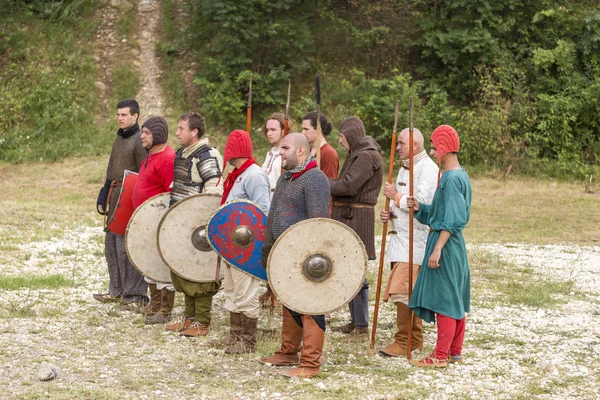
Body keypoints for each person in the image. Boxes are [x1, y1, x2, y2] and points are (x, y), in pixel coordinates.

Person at [259, 132, 330, 378]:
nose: (280, 152)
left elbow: (318, 223)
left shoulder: (315, 178)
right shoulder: (286, 178)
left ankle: (310, 363)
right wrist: (268, 251)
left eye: (285, 147)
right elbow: (273, 218)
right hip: (284, 253)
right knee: (289, 300)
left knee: (310, 305)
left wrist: (312, 259)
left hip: (305, 257)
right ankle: (289, 351)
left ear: (300, 151)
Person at [406, 125, 472, 368]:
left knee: (445, 299)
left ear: (444, 148)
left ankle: (440, 356)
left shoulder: (452, 179)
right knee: (454, 298)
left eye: (434, 148)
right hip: (451, 244)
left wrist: (437, 249)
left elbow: (453, 219)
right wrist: (420, 209)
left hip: (446, 244)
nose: (432, 153)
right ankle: (455, 352)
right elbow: (439, 212)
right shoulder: (458, 175)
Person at [378, 128, 438, 357]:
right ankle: (415, 339)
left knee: (403, 291)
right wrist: (389, 212)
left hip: (416, 241)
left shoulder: (428, 170)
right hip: (400, 240)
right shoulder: (406, 167)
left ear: (414, 145)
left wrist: (395, 196)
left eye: (401, 143)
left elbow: (420, 203)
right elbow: (401, 204)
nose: (398, 147)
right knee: (408, 291)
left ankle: (404, 341)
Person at [164, 113, 224, 337]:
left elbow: (214, 191)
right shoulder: (183, 153)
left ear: (194, 132)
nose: (177, 133)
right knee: (183, 269)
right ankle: (189, 318)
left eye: (181, 129)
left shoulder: (206, 155)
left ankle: (202, 321)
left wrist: (202, 222)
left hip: (199, 226)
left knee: (200, 274)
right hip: (181, 222)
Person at [328, 117, 383, 337]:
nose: (340, 142)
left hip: (357, 217)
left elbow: (348, 186)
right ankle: (356, 321)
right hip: (349, 216)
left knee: (357, 271)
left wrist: (322, 182)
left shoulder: (366, 156)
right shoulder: (357, 154)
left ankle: (361, 325)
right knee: (348, 270)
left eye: (341, 137)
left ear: (351, 135)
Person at [216, 129, 270, 354]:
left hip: (246, 247)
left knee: (245, 292)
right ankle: (235, 338)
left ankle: (248, 342)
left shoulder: (254, 175)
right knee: (232, 291)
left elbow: (262, 212)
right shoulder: (238, 175)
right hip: (230, 246)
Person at [95, 98, 148, 311]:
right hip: (115, 195)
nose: (120, 118)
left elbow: (144, 173)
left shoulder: (138, 140)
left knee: (127, 247)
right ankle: (116, 291)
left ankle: (134, 295)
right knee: (112, 246)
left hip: (130, 197)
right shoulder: (119, 138)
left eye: (124, 115)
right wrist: (104, 192)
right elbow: (112, 168)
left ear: (135, 116)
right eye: (118, 114)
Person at [130, 116, 177, 325]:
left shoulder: (167, 158)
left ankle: (165, 310)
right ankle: (154, 304)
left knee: (161, 263)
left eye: (147, 132)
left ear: (157, 134)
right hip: (146, 221)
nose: (142, 136)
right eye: (143, 132)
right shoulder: (150, 156)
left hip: (159, 222)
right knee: (149, 260)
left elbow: (171, 194)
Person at [259, 112, 293, 306]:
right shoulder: (270, 152)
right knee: (269, 246)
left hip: (280, 201)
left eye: (274, 129)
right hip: (268, 200)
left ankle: (281, 291)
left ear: (283, 130)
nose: (269, 133)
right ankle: (270, 288)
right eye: (267, 130)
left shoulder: (288, 152)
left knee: (281, 247)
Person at [301, 111, 339, 179]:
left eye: (306, 129)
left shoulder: (329, 153)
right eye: (303, 129)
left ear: (319, 129)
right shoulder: (309, 151)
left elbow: (329, 183)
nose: (302, 133)